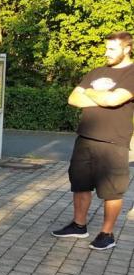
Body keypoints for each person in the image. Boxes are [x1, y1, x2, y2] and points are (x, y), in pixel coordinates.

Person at [52, 32, 134, 250]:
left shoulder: (132, 73)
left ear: (127, 49)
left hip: (113, 141)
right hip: (85, 138)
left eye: (112, 49)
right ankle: (79, 226)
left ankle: (106, 234)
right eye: (106, 48)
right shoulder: (96, 72)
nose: (107, 53)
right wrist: (97, 93)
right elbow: (73, 98)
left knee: (112, 190)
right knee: (79, 184)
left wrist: (90, 93)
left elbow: (113, 99)